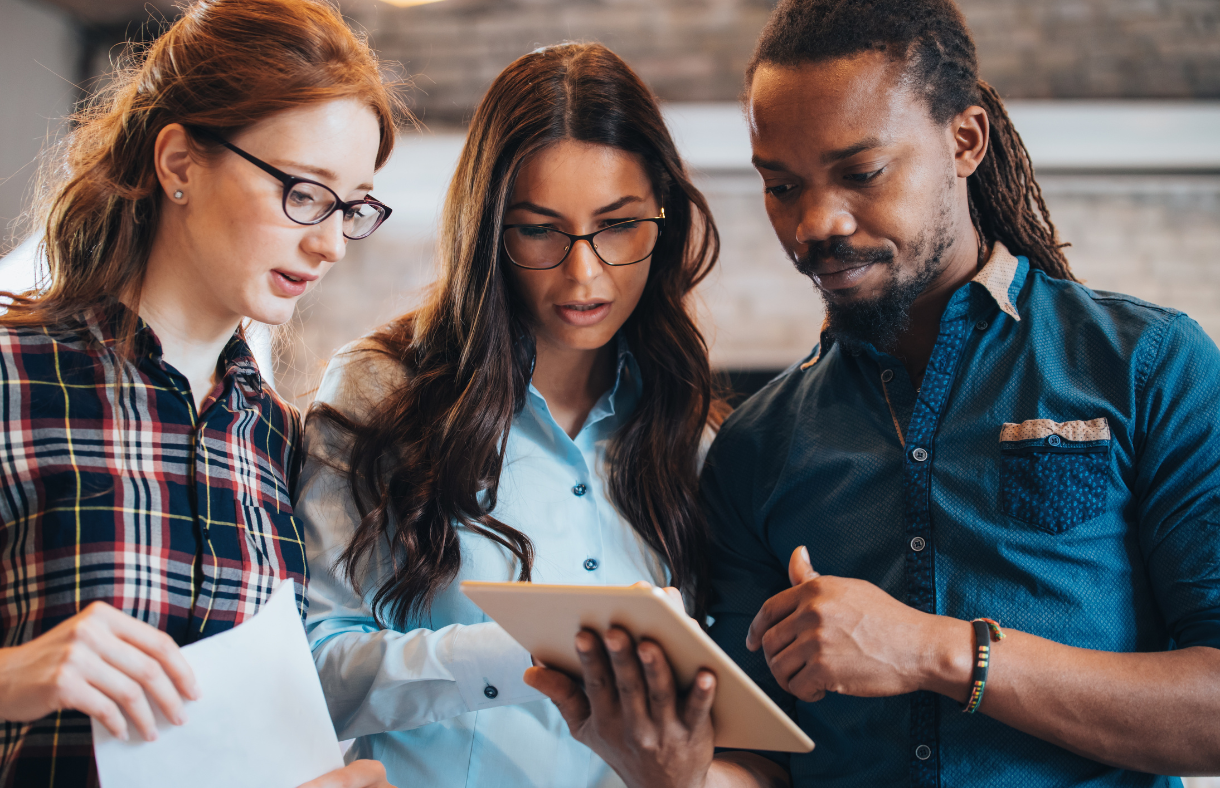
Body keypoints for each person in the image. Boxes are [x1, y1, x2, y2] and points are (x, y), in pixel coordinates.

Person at [527, 0, 1220, 786]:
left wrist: (934, 651)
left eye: (861, 173)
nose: (814, 222)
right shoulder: (753, 450)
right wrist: (676, 772)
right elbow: (765, 762)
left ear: (965, 141)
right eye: (782, 185)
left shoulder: (1150, 368)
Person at [295, 42, 729, 788]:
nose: (583, 273)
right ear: (488, 229)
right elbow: (315, 669)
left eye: (619, 225)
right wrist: (522, 648)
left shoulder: (690, 433)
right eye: (539, 230)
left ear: (664, 218)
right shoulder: (380, 391)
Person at [0, 1, 404, 786]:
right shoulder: (15, 376)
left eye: (351, 207)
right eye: (303, 192)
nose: (328, 244)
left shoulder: (285, 441)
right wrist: (13, 677)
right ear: (180, 163)